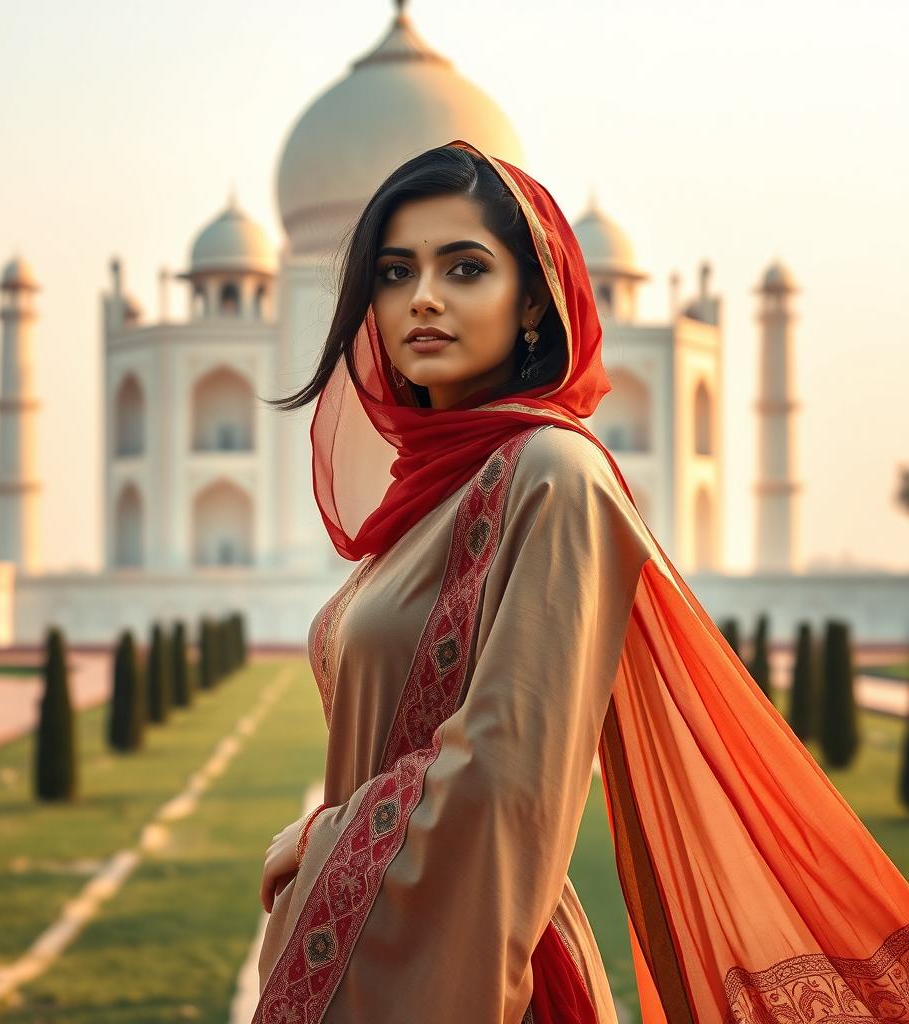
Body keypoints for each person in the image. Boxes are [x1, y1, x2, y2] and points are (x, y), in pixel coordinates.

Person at [251, 140, 909, 1024]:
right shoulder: (425, 497)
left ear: (533, 301)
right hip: (377, 946)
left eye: (466, 267)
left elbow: (503, 785)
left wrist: (317, 845)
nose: (425, 298)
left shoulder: (551, 473)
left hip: (464, 963)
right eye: (396, 271)